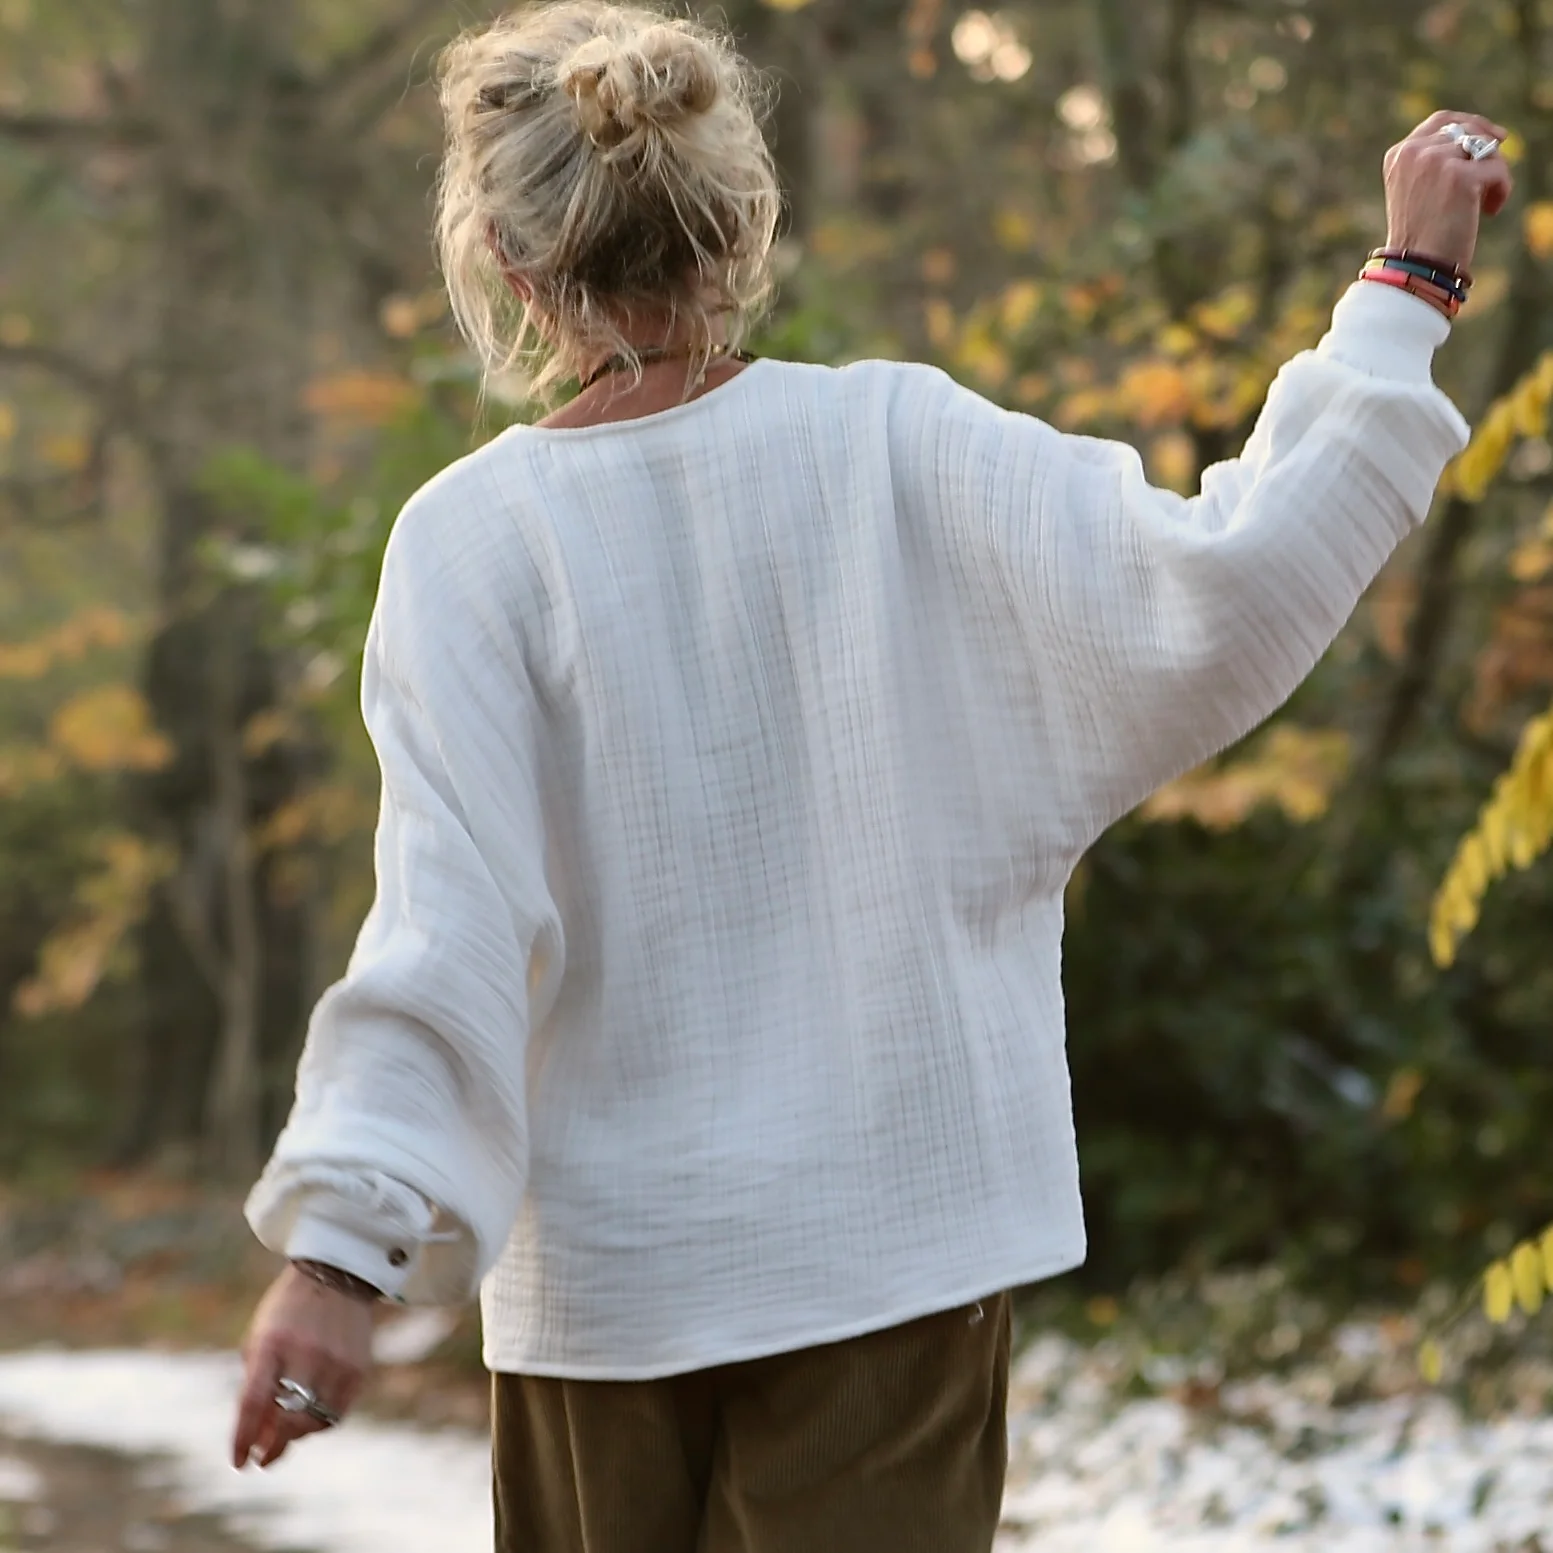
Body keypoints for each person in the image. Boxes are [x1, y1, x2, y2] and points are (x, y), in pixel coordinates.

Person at [229, 2, 1510, 1548]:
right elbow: (1222, 592)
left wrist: (337, 1262)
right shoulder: (898, 442)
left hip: (607, 1312)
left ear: (508, 265)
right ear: (743, 223)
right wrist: (1406, 289)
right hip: (885, 1276)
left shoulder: (470, 542)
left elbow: (447, 930)